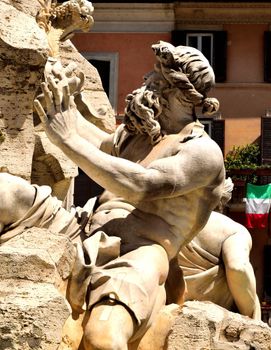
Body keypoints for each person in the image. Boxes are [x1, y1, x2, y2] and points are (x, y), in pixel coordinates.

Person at [0, 41, 225, 349]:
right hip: (81, 227)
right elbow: (84, 134)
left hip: (141, 253)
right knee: (5, 192)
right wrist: (59, 89)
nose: (145, 80)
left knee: (102, 338)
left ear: (177, 93)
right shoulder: (141, 135)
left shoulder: (202, 152)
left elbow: (141, 184)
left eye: (156, 78)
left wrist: (66, 140)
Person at [174, 210, 261, 320]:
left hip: (168, 311)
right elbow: (238, 268)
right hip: (216, 319)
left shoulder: (162, 222)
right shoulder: (231, 229)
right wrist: (251, 317)